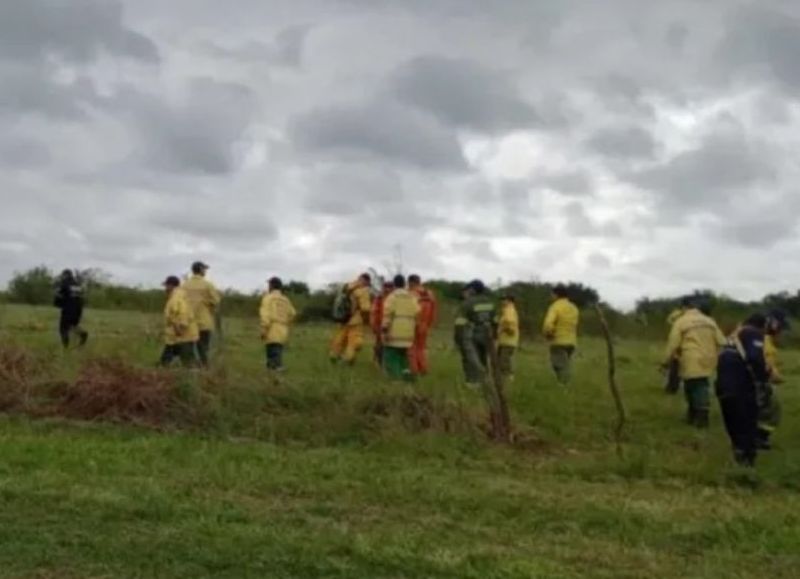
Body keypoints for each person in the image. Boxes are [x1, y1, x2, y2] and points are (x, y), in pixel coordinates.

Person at [716, 314, 771, 466]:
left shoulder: (733, 337)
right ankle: (747, 460)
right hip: (740, 386)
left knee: (733, 424)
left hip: (723, 385)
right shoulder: (752, 332)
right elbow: (754, 357)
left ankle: (739, 456)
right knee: (747, 423)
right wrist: (764, 377)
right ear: (762, 325)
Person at [663, 302, 726, 427]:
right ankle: (693, 414)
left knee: (696, 385)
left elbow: (673, 343)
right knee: (698, 383)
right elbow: (722, 340)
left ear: (685, 309)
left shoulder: (681, 321)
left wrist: (666, 360)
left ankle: (701, 416)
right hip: (709, 357)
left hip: (690, 357)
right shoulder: (709, 321)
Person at [757, 310, 790, 449]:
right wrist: (776, 377)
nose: (780, 333)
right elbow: (767, 365)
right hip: (760, 381)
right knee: (773, 410)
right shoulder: (766, 342)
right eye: (780, 328)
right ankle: (760, 438)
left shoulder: (754, 336)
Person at [182, 261, 221, 366]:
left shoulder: (185, 285)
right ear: (200, 270)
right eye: (204, 269)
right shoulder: (207, 285)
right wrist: (207, 303)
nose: (205, 271)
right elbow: (216, 300)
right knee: (203, 346)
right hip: (203, 321)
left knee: (189, 345)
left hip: (188, 320)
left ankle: (190, 365)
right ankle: (204, 366)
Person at [381, 274, 420, 380]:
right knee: (403, 356)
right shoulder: (412, 297)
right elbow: (417, 311)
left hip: (394, 333)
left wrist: (384, 330)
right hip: (408, 333)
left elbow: (387, 315)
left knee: (392, 356)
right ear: (404, 284)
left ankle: (396, 378)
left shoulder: (392, 297)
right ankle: (407, 377)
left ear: (394, 284)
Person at [459, 280, 497, 387]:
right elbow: (495, 320)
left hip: (473, 332)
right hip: (487, 333)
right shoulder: (490, 302)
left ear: (473, 290)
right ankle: (485, 380)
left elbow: (461, 321)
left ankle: (473, 381)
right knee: (483, 356)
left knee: (472, 357)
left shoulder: (469, 302)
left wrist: (459, 337)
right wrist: (495, 334)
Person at [329, 273, 373, 365]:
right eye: (369, 282)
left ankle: (334, 355)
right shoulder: (363, 291)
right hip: (355, 320)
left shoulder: (348, 287)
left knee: (340, 338)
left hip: (343, 319)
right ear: (366, 281)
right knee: (353, 342)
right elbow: (365, 308)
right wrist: (366, 319)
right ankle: (348, 359)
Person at [542, 284, 580, 385]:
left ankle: (564, 386)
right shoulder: (574, 307)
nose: (551, 296)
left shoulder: (555, 306)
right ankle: (564, 385)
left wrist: (548, 334)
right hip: (571, 341)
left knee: (559, 365)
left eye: (552, 294)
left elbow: (548, 324)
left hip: (558, 341)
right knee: (565, 364)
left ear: (556, 295)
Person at [259, 277, 297, 371]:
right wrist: (286, 322)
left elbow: (265, 315)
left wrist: (264, 329)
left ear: (271, 286)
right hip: (283, 329)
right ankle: (273, 369)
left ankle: (276, 370)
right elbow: (292, 313)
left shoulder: (268, 298)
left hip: (272, 328)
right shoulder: (285, 300)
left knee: (272, 352)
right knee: (277, 350)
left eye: (269, 285)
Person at [160, 276, 199, 367]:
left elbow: (183, 313)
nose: (165, 288)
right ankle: (164, 366)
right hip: (177, 334)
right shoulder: (178, 296)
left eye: (166, 286)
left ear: (171, 286)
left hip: (182, 333)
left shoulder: (176, 298)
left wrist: (179, 327)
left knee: (187, 361)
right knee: (169, 355)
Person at [408, 274, 437, 375]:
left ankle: (414, 370)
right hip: (424, 324)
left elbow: (409, 310)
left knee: (411, 348)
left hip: (413, 324)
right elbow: (433, 310)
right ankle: (423, 369)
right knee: (421, 348)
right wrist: (429, 324)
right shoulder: (430, 294)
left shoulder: (411, 293)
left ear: (411, 282)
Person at [53, 269, 89, 349]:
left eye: (63, 275)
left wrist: (57, 300)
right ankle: (83, 334)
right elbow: (81, 297)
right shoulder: (77, 285)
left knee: (62, 329)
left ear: (65, 275)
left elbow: (58, 294)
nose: (62, 277)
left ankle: (65, 348)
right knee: (72, 325)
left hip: (68, 309)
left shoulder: (65, 283)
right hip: (78, 310)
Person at [664, 296, 692, 394]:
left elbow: (669, 320)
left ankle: (676, 385)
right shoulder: (678, 314)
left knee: (679, 364)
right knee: (675, 363)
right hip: (680, 340)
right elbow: (669, 321)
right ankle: (673, 385)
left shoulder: (682, 314)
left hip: (684, 341)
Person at [370, 280, 394, 367]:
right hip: (380, 325)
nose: (388, 289)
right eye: (386, 287)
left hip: (392, 325)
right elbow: (374, 312)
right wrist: (374, 325)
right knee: (379, 344)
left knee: (390, 344)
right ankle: (378, 361)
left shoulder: (394, 298)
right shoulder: (379, 298)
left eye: (390, 287)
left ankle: (386, 362)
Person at [496, 294, 519, 381]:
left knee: (504, 360)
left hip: (508, 340)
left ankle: (508, 377)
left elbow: (509, 322)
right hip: (505, 340)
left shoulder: (509, 310)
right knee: (501, 360)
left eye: (504, 299)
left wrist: (506, 329)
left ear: (509, 301)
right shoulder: (507, 310)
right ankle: (503, 377)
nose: (502, 301)